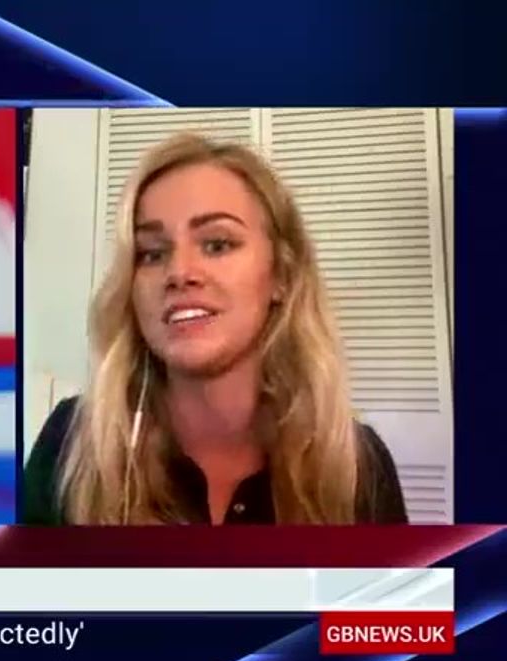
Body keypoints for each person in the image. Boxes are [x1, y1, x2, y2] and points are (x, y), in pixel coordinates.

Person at [22, 132, 408, 526]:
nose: (179, 272)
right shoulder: (70, 443)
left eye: (217, 244)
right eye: (152, 253)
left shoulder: (359, 467)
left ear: (282, 275)